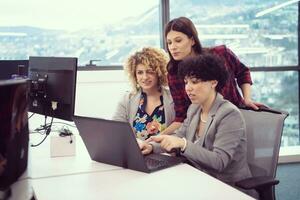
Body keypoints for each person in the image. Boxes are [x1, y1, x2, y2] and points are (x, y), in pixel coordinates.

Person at [140, 54, 256, 197]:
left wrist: (183, 145)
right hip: (199, 181)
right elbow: (179, 136)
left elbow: (219, 161)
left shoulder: (229, 114)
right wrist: (152, 147)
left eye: (194, 82)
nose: (188, 88)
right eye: (186, 82)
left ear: (213, 83)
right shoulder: (194, 108)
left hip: (228, 188)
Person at [161, 16, 263, 135]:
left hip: (236, 121)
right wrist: (154, 140)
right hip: (205, 131)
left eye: (178, 41)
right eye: (169, 43)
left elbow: (242, 72)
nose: (173, 47)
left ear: (192, 40)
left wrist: (247, 98)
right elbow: (181, 116)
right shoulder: (174, 74)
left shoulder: (221, 54)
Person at [112, 47, 175, 141]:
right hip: (136, 152)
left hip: (163, 153)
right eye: (140, 72)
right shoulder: (127, 99)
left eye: (150, 72)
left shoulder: (173, 99)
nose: (144, 77)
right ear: (134, 75)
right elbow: (115, 129)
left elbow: (178, 132)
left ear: (159, 73)